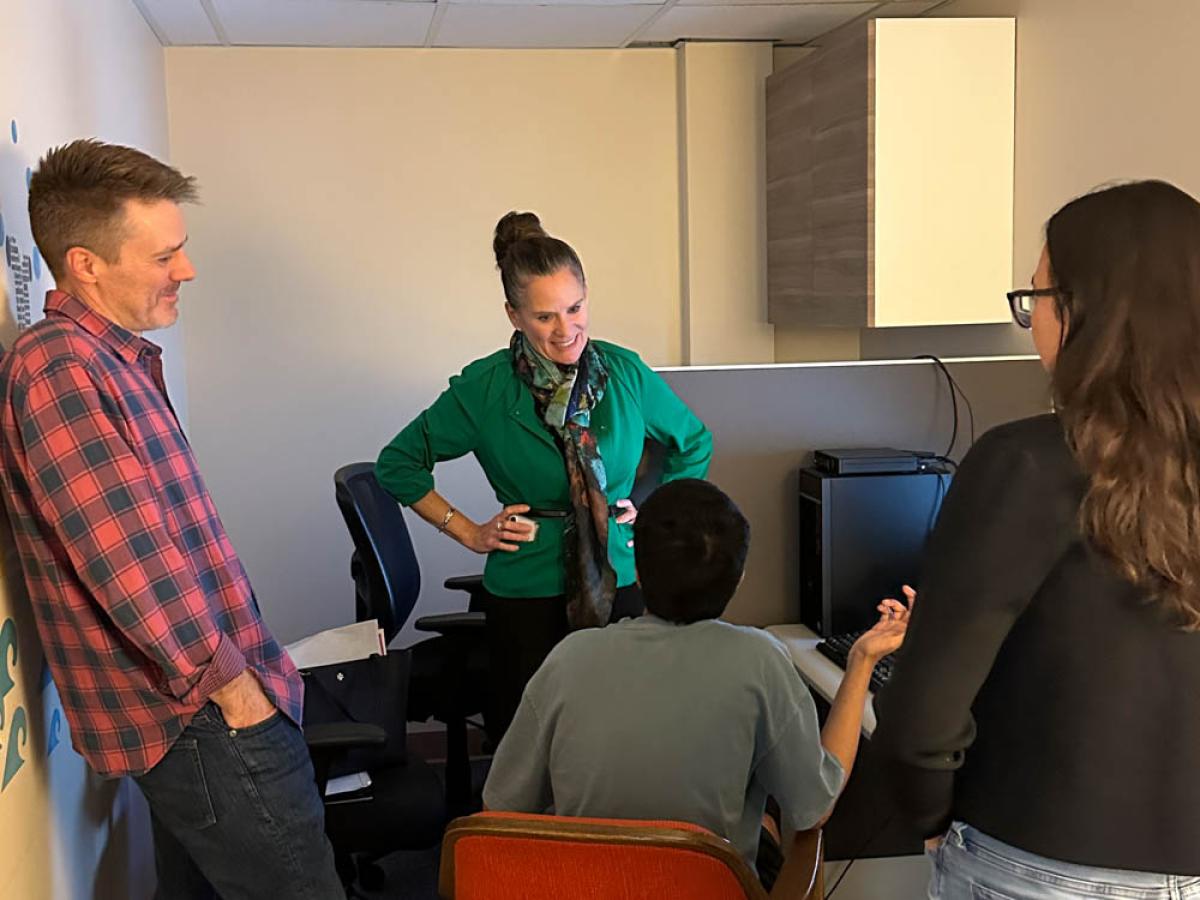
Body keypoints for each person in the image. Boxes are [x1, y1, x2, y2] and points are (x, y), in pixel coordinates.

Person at [0, 140, 343, 899]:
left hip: (208, 710)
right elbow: (132, 565)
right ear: (86, 264)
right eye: (164, 256)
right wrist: (235, 693)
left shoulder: (112, 360)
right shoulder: (61, 367)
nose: (185, 270)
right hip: (203, 717)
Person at [874, 180, 1200, 898]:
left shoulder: (1026, 463)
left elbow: (923, 716)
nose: (1031, 323)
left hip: (1040, 865)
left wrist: (928, 816)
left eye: (1036, 299)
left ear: (1087, 311)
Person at [481, 478, 911, 888]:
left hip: (586, 888)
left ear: (639, 572)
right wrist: (861, 661)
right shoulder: (760, 659)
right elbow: (814, 808)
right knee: (765, 826)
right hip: (709, 890)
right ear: (738, 578)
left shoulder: (569, 657)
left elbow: (500, 810)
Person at [376, 211, 712, 734]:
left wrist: (651, 513)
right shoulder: (485, 389)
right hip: (526, 589)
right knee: (535, 737)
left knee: (625, 732)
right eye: (544, 316)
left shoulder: (625, 373)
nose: (565, 330)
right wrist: (468, 532)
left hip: (617, 577)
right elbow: (397, 464)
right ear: (513, 315)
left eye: (575, 309)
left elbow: (693, 443)